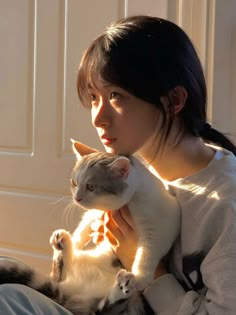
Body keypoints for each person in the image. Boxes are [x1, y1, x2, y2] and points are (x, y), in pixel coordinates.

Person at [0, 15, 235, 314]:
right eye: (94, 98)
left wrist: (153, 272)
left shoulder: (225, 203)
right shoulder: (130, 176)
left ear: (173, 101)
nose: (98, 117)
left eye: (115, 96)